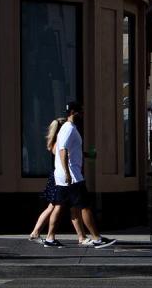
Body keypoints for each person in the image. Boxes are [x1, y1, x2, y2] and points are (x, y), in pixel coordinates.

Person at [43, 102, 115, 249]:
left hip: (64, 175)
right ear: (73, 112)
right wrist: (68, 173)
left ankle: (50, 238)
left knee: (59, 206)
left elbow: (68, 151)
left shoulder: (67, 129)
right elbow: (62, 151)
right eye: (80, 111)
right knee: (85, 207)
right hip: (73, 177)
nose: (82, 114)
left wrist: (86, 155)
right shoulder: (69, 129)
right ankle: (96, 238)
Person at [29, 119, 88, 245]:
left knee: (55, 206)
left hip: (56, 177)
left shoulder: (56, 140)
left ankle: (80, 236)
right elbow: (61, 153)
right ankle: (36, 232)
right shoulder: (59, 141)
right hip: (58, 178)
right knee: (54, 206)